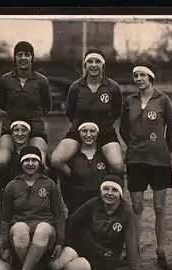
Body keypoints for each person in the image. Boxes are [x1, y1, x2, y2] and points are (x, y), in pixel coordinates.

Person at [48, 175, 159, 270]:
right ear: (101, 191)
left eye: (114, 190)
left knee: (70, 269)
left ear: (120, 194)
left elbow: (132, 244)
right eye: (106, 189)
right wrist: (65, 242)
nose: (109, 193)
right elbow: (72, 221)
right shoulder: (93, 203)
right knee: (54, 265)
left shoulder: (127, 213)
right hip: (85, 246)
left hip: (104, 257)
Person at [119, 63, 172, 270]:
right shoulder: (129, 101)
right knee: (136, 207)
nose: (138, 78)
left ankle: (161, 252)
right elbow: (124, 129)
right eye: (135, 75)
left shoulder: (163, 100)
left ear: (151, 77)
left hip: (159, 161)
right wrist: (135, 145)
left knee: (160, 208)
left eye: (142, 74)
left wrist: (162, 148)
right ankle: (134, 251)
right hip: (136, 160)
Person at [0, 146, 65, 270]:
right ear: (21, 163)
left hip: (45, 233)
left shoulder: (49, 184)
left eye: (34, 160)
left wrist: (60, 241)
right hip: (20, 236)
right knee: (20, 227)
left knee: (42, 228)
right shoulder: (12, 185)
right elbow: (4, 218)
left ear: (40, 163)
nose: (30, 164)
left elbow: (59, 215)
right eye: (26, 160)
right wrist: (4, 246)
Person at [50, 48, 124, 177]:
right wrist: (81, 127)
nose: (94, 65)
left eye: (97, 62)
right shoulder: (76, 87)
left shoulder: (113, 87)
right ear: (85, 65)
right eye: (90, 62)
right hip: (79, 132)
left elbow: (117, 111)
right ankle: (77, 181)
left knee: (118, 165)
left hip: (105, 133)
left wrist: (104, 125)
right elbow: (70, 112)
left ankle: (109, 189)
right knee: (56, 160)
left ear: (103, 65)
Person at [0, 41, 52, 170]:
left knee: (39, 162)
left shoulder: (42, 81)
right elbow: (2, 104)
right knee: (1, 161)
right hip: (10, 128)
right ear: (14, 58)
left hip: (35, 130)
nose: (23, 58)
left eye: (27, 55)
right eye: (19, 54)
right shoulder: (5, 80)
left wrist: (31, 116)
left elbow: (46, 107)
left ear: (32, 58)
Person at [58, 120, 114, 216]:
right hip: (77, 208)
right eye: (84, 131)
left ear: (98, 133)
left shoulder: (104, 156)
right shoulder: (72, 157)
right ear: (79, 133)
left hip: (101, 210)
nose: (88, 135)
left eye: (92, 131)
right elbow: (65, 186)